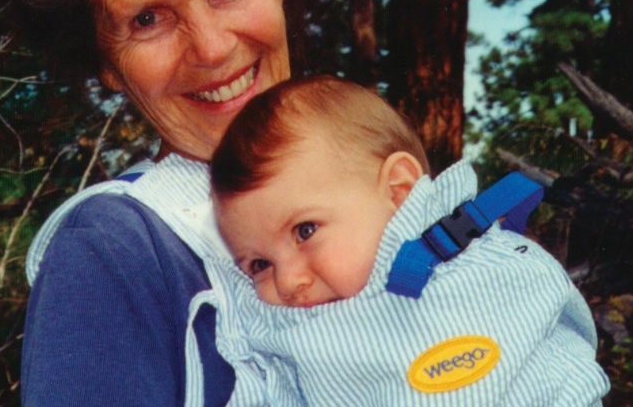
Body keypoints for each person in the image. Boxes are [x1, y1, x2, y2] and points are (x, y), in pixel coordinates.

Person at [0, 0, 307, 405]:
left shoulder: (381, 184)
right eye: (147, 19)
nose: (212, 47)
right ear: (105, 62)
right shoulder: (112, 253)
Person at [208, 75, 611, 405]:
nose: (287, 282)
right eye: (259, 265)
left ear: (398, 191)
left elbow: (565, 366)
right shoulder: (280, 332)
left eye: (305, 231)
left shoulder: (482, 274)